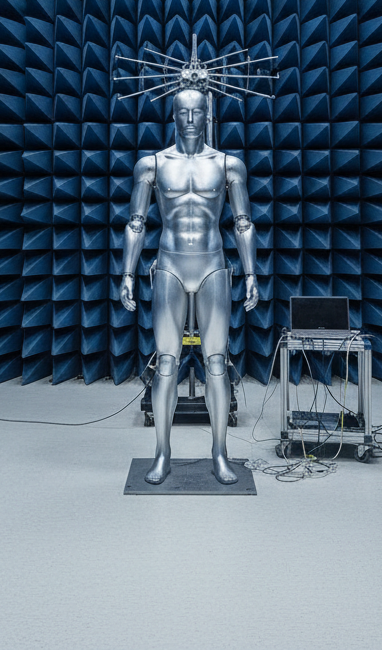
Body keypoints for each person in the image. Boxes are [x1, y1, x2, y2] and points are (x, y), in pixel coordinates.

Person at [120, 87, 258, 484]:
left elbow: (243, 224)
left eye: (199, 111)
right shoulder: (153, 165)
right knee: (166, 363)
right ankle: (162, 454)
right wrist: (127, 274)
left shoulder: (229, 164)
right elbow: (136, 224)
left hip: (213, 265)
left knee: (217, 363)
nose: (192, 119)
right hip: (169, 265)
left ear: (208, 114)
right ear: (173, 115)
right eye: (184, 112)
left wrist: (251, 274)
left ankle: (220, 452)